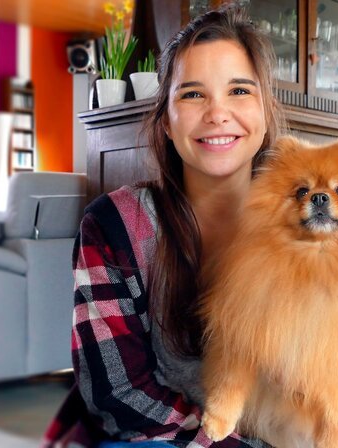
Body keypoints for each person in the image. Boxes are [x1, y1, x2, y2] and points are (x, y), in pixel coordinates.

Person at [42, 5, 283, 447]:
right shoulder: (113, 225)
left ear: (266, 111)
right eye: (192, 95)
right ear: (167, 121)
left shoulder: (308, 224)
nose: (218, 113)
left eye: (239, 90)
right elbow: (118, 394)